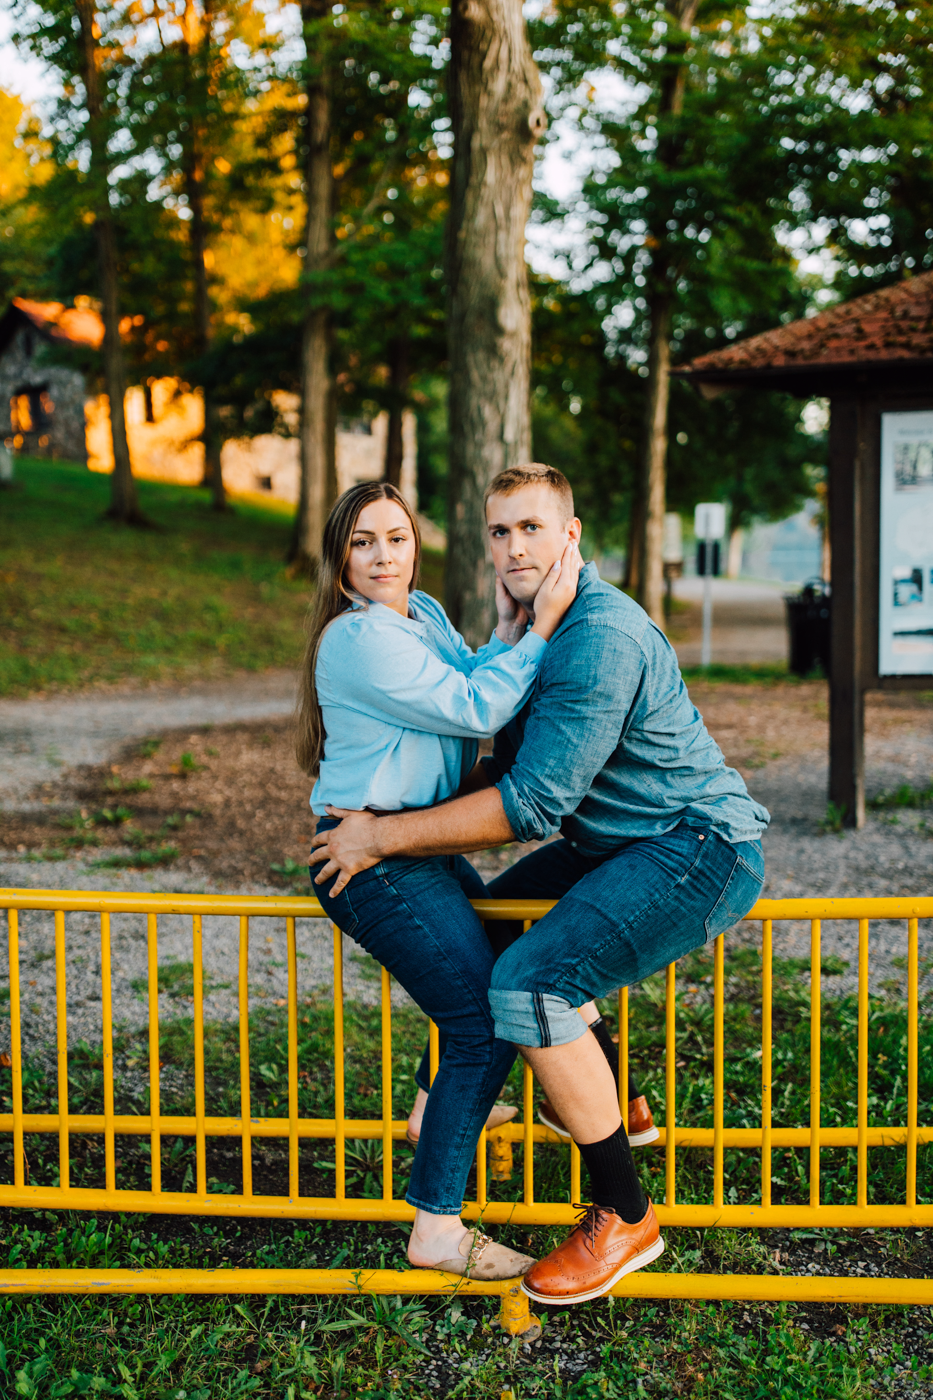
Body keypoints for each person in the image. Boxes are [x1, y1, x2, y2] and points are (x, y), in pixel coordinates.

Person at [310, 463, 770, 1306]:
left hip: (694, 844)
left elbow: (531, 801)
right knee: (491, 929)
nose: (514, 545)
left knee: (529, 981)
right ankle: (573, 1094)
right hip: (620, 840)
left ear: (570, 535)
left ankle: (623, 1214)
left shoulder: (593, 635)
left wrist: (381, 831)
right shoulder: (531, 624)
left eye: (532, 528)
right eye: (498, 531)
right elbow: (494, 743)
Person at [297, 479, 581, 1281]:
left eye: (395, 537)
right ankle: (436, 1232)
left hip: (411, 845)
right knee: (482, 1023)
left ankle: (436, 1106)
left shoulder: (418, 614)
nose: (383, 555)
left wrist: (498, 630)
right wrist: (540, 630)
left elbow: (475, 670)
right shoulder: (357, 640)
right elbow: (473, 707)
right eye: (362, 542)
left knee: (493, 977)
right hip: (370, 856)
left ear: (415, 543)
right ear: (340, 558)